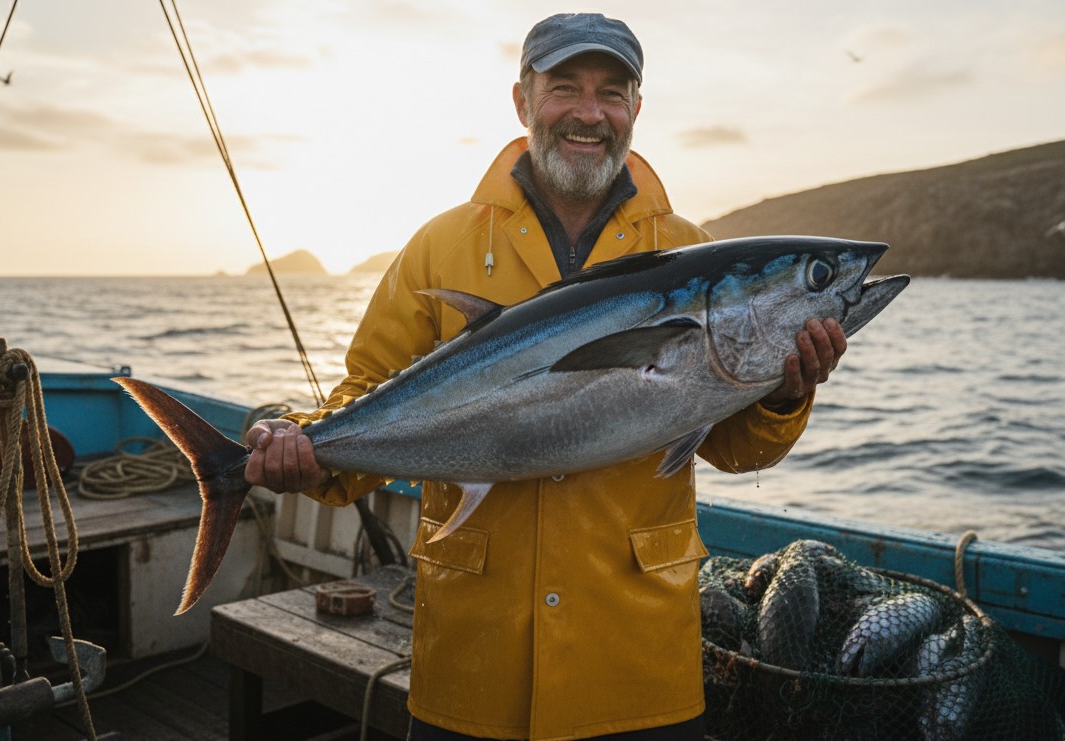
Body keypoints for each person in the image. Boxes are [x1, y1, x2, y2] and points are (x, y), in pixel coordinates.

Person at [244, 13, 847, 741]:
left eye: (612, 92)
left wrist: (785, 393)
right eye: (565, 87)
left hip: (636, 665)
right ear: (523, 101)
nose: (589, 113)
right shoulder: (441, 248)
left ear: (636, 110)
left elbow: (738, 450)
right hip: (473, 664)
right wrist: (305, 453)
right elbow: (362, 400)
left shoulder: (687, 249)